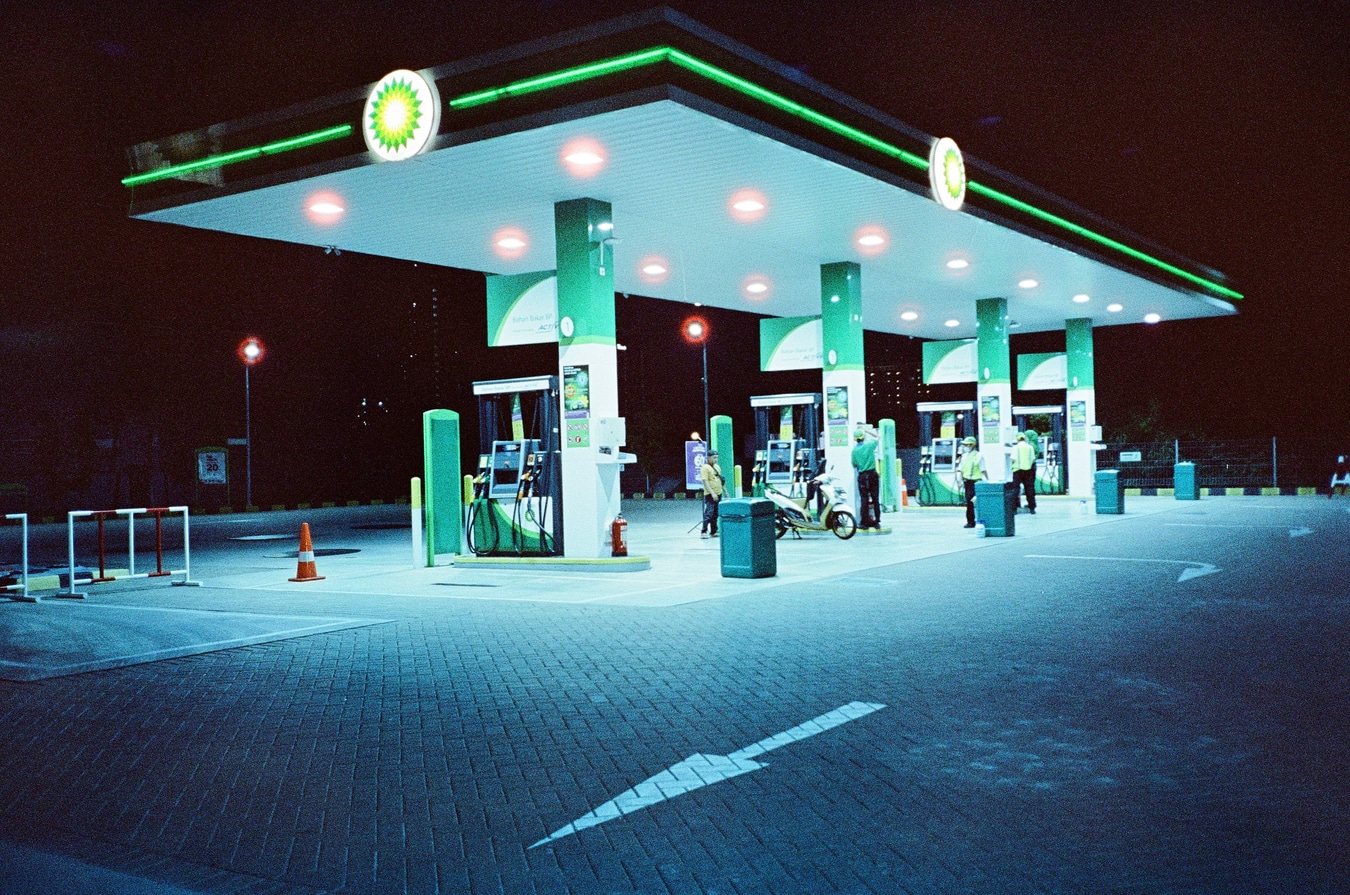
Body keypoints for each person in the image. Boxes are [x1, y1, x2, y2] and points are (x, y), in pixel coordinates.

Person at [851, 427, 881, 529]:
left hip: (863, 476)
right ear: (863, 437)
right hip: (872, 475)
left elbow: (854, 465)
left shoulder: (854, 451)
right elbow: (878, 436)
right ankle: (876, 522)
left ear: (855, 439)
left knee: (864, 499)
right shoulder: (870, 445)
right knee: (875, 498)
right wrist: (866, 430)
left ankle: (864, 523)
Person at [956, 435, 986, 528]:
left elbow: (983, 469)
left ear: (972, 445)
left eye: (967, 445)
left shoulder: (979, 455)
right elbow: (960, 469)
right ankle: (970, 521)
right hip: (967, 482)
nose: (965, 446)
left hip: (976, 482)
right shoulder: (964, 456)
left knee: (977, 502)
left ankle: (981, 520)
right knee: (969, 503)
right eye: (965, 445)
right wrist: (960, 481)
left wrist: (988, 481)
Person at [699, 450, 725, 537]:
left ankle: (713, 531)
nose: (716, 459)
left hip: (718, 492)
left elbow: (720, 480)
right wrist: (712, 493)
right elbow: (705, 482)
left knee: (715, 513)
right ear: (708, 458)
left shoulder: (717, 467)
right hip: (710, 494)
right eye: (714, 458)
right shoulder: (705, 468)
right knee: (709, 513)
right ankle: (704, 531)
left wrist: (725, 490)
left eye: (717, 457)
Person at [1011, 432, 1038, 514]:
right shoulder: (1030, 447)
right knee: (1029, 489)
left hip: (1017, 471)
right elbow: (1033, 459)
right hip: (1028, 471)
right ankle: (1032, 508)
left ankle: (1015, 508)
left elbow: (1013, 459)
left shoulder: (1015, 447)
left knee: (1016, 489)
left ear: (1017, 439)